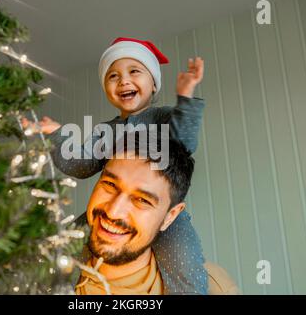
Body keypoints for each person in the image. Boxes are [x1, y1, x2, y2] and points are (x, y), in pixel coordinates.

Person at [24, 37, 207, 293]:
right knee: (65, 242)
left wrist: (185, 96)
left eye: (134, 71)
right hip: (101, 214)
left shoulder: (164, 117)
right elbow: (80, 165)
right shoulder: (106, 131)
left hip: (164, 219)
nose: (123, 81)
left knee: (186, 265)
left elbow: (184, 144)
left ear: (153, 83)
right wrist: (57, 134)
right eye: (113, 76)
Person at [73, 135, 238, 294]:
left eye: (143, 200)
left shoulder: (216, 289)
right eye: (109, 184)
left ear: (170, 217)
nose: (113, 211)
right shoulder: (49, 272)